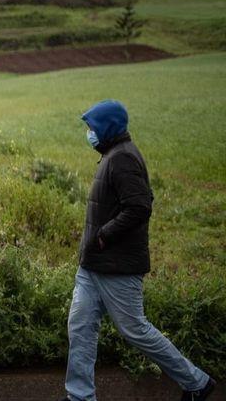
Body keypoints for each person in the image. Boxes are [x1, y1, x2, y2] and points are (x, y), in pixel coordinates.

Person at [60, 99, 216, 401]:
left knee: (135, 331)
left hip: (116, 267)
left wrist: (104, 235)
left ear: (106, 128)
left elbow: (140, 206)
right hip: (92, 266)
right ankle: (79, 396)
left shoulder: (123, 159)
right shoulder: (111, 155)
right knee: (79, 328)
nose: (89, 133)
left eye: (92, 127)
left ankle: (196, 383)